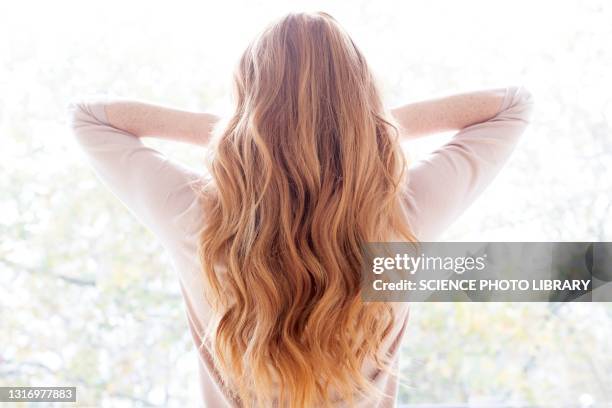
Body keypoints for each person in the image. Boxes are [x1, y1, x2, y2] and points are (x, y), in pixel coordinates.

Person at [68, 11, 533, 408]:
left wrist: (252, 137)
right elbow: (513, 106)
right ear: (361, 98)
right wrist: (354, 136)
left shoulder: (199, 218)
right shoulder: (401, 218)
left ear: (248, 102)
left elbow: (89, 118)